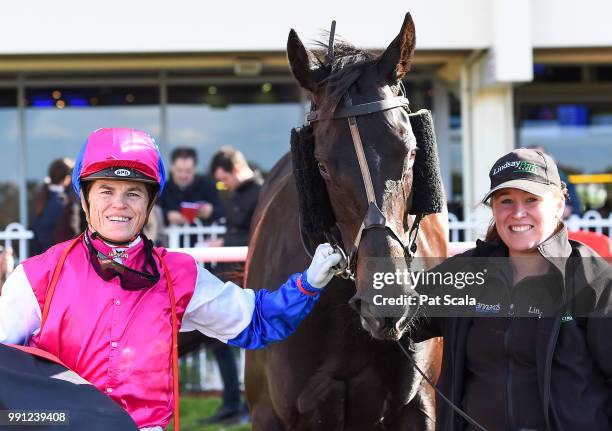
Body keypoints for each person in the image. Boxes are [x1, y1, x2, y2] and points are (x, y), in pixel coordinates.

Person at [0, 128, 343, 431]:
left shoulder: (177, 274)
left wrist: (308, 283)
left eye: (133, 192)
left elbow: (255, 322)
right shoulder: (36, 276)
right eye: (106, 190)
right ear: (86, 199)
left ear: (149, 204)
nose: (119, 205)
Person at [409, 148, 612, 431]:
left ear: (557, 203)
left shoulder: (595, 280)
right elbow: (390, 312)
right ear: (493, 208)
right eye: (506, 201)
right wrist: (343, 268)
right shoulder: (464, 274)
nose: (518, 213)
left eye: (531, 200)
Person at [158, 147, 224, 228]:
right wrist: (167, 216)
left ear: (194, 169)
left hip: (202, 239)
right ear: (172, 168)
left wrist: (211, 211)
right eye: (179, 170)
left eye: (188, 171)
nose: (183, 175)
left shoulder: (207, 186)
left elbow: (222, 211)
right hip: (169, 239)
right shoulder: (163, 189)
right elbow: (152, 213)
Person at [29, 157, 76, 255]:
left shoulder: (41, 198)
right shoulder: (62, 202)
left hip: (42, 257)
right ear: (67, 178)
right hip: (56, 258)